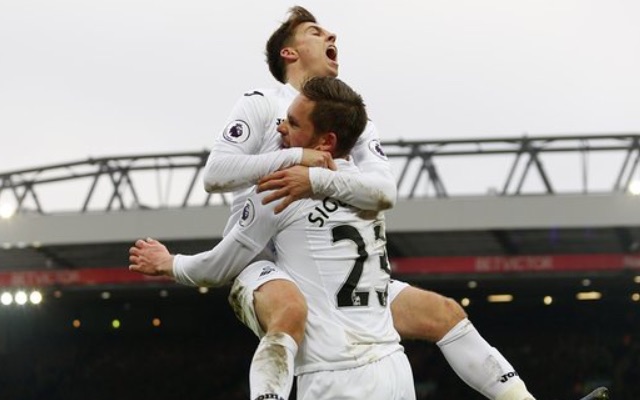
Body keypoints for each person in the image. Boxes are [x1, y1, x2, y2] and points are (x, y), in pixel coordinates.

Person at [202, 5, 543, 400]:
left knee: (443, 313)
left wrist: (315, 177)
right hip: (259, 261)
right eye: (316, 32)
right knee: (291, 311)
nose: (332, 37)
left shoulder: (352, 120)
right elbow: (216, 174)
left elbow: (383, 193)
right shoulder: (261, 103)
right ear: (289, 53)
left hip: (331, 266)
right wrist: (295, 157)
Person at [130, 76, 416, 400]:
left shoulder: (283, 190)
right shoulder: (368, 190)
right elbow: (382, 191)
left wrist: (169, 263)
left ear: (325, 142)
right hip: (395, 370)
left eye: (292, 123)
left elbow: (219, 266)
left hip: (336, 378)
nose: (280, 129)